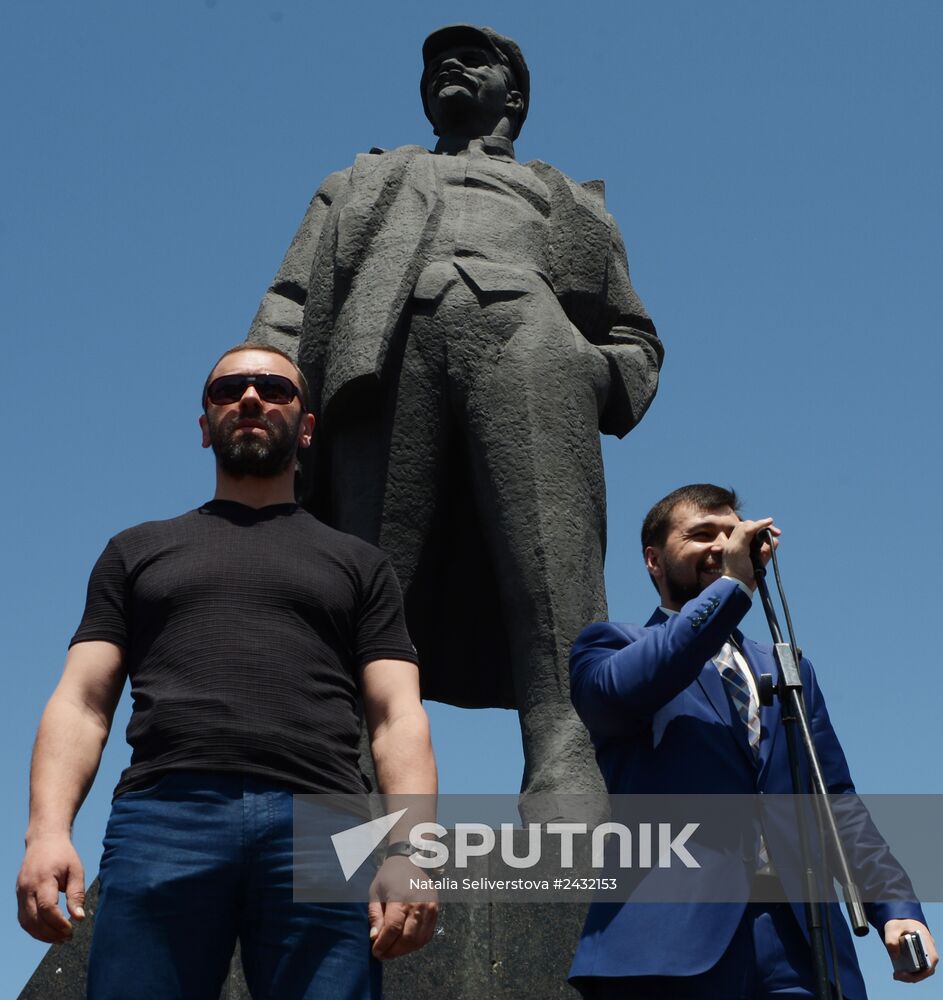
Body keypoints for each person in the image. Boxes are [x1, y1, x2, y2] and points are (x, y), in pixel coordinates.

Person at [247, 24, 664, 806]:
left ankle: (566, 771)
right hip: (384, 355)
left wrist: (588, 371)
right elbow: (292, 301)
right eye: (438, 61)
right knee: (370, 569)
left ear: (515, 95)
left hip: (532, 343)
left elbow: (634, 338)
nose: (449, 66)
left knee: (551, 565)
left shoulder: (572, 203)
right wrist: (269, 390)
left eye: (475, 59)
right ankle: (350, 770)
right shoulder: (361, 182)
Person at [16, 344, 438, 999]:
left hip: (323, 821)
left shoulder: (361, 565)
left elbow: (396, 716)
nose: (249, 398)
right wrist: (46, 834)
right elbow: (81, 702)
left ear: (304, 426)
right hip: (164, 816)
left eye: (273, 388)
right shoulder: (135, 551)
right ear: (203, 423)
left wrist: (412, 853)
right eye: (228, 389)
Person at [568, 483, 937, 998]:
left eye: (731, 531)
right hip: (670, 949)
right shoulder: (611, 647)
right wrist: (733, 588)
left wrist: (896, 908)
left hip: (800, 945)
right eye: (701, 535)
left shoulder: (787, 669)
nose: (723, 544)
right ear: (653, 560)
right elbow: (633, 686)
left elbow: (835, 803)